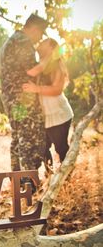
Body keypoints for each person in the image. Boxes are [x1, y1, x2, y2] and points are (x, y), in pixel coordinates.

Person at [0, 14, 48, 189]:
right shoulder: (23, 41)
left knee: (18, 135)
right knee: (27, 135)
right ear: (34, 28)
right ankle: (29, 184)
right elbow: (32, 71)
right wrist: (48, 60)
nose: (40, 39)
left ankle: (18, 180)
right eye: (41, 34)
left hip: (12, 97)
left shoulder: (11, 40)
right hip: (21, 99)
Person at [23, 38, 74, 169]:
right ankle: (49, 175)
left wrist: (37, 89)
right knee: (43, 148)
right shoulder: (41, 64)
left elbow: (57, 90)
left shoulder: (57, 65)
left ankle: (67, 178)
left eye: (44, 42)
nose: (40, 43)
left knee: (61, 148)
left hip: (59, 115)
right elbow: (30, 72)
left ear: (51, 47)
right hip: (45, 117)